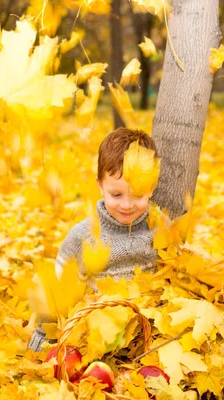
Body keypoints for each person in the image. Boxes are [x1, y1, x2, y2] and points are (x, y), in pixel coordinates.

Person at [28, 127, 159, 352]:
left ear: (152, 187)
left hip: (145, 338)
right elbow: (57, 293)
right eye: (116, 195)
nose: (127, 205)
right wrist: (44, 343)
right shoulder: (84, 236)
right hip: (94, 341)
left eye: (138, 194)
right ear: (100, 185)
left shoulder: (160, 227)